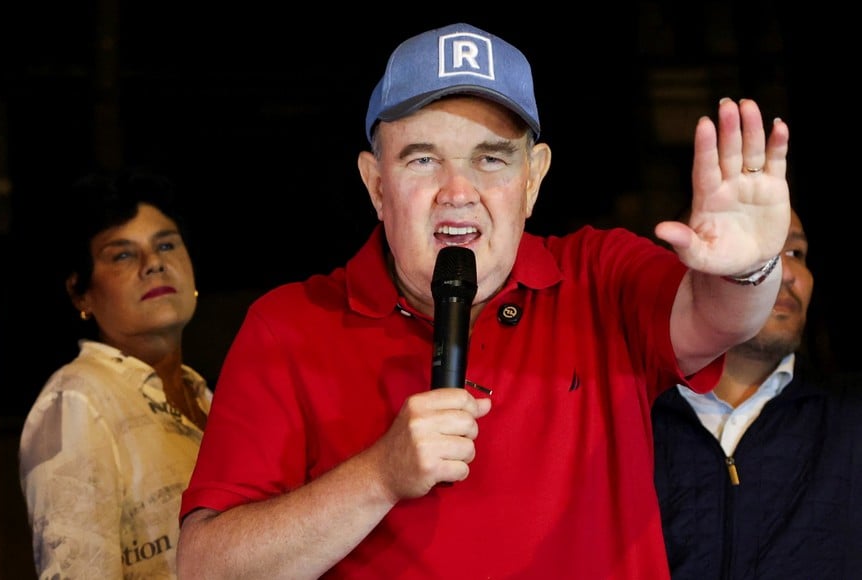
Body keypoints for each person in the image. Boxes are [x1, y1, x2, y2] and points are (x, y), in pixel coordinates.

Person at [177, 22, 790, 579]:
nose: (458, 191)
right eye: (423, 159)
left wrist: (748, 269)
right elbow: (206, 568)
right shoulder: (288, 325)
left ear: (533, 179)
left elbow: (716, 319)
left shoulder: (599, 278)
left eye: (490, 159)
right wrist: (379, 475)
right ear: (376, 184)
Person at [19, 168, 212, 578]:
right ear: (81, 294)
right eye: (122, 255)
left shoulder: (207, 397)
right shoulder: (77, 401)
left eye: (166, 244)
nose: (154, 263)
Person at [652, 208, 862, 579]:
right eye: (756, 249)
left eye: (796, 253)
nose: (786, 273)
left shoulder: (849, 419)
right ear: (687, 264)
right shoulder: (624, 418)